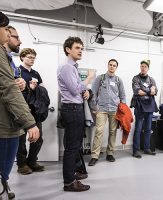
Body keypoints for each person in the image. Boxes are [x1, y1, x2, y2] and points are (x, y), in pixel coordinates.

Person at [0, 7, 40, 199]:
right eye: (5, 29)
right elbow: (7, 88)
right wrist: (29, 122)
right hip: (3, 122)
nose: (8, 33)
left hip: (6, 118)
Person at [57, 36, 93, 192]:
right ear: (68, 49)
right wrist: (89, 79)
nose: (80, 51)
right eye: (77, 48)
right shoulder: (67, 67)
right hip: (72, 109)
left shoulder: (72, 67)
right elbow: (74, 89)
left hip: (74, 108)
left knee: (74, 145)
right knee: (72, 148)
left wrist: (85, 92)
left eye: (81, 48)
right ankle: (69, 182)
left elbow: (77, 89)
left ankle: (73, 174)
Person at [88, 59, 126, 166]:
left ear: (116, 67)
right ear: (108, 65)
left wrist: (123, 109)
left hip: (114, 109)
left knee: (113, 131)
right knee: (99, 131)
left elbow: (123, 95)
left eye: (114, 65)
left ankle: (110, 153)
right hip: (102, 109)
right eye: (110, 65)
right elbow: (93, 93)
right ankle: (95, 156)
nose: (112, 67)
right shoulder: (100, 78)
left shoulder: (119, 80)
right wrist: (94, 107)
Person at [16, 48, 46, 175]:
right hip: (22, 109)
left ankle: (32, 161)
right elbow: (14, 90)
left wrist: (35, 88)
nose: (32, 59)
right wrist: (29, 88)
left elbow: (43, 90)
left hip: (35, 110)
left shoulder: (36, 73)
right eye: (29, 57)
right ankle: (22, 164)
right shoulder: (17, 71)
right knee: (21, 139)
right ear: (22, 57)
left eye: (33, 57)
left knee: (38, 138)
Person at [132, 60, 158, 158]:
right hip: (139, 106)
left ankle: (147, 148)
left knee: (148, 129)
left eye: (145, 66)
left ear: (148, 68)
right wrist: (149, 91)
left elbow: (155, 91)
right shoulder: (136, 78)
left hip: (150, 106)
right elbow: (137, 91)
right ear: (140, 67)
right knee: (138, 129)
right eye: (142, 66)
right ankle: (136, 150)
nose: (143, 68)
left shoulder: (152, 79)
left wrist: (147, 91)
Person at [4, 25, 26, 92]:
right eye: (16, 37)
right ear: (6, 36)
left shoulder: (10, 58)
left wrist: (21, 81)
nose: (20, 42)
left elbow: (14, 79)